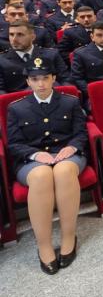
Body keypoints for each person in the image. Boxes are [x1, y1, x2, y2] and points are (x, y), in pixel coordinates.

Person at [7, 58, 87, 274]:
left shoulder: (70, 102)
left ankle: (68, 237)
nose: (41, 84)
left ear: (53, 78)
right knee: (42, 175)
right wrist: (34, 154)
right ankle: (44, 245)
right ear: (28, 81)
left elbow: (81, 133)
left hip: (67, 154)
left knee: (63, 170)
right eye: (35, 79)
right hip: (31, 160)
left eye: (45, 78)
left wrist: (72, 148)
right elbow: (14, 144)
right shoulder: (17, 108)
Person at [0, 20, 69, 93]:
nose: (14, 39)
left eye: (20, 34)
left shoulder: (51, 55)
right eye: (11, 34)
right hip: (18, 100)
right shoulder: (2, 60)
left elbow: (65, 79)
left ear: (32, 37)